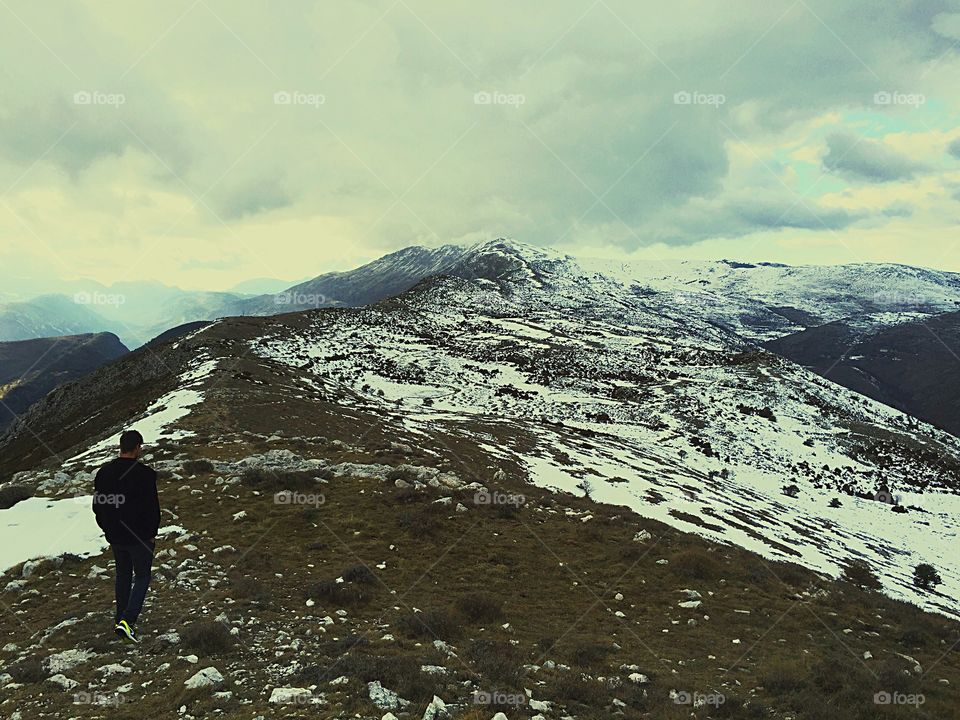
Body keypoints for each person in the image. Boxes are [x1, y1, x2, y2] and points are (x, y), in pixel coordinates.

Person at [92, 430, 160, 643]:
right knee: (142, 577)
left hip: (116, 536)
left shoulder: (104, 473)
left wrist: (106, 528)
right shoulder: (145, 474)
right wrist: (151, 534)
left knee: (123, 576)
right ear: (138, 447)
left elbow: (98, 505)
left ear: (121, 447)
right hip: (140, 537)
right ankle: (128, 621)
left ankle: (120, 619)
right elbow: (152, 509)